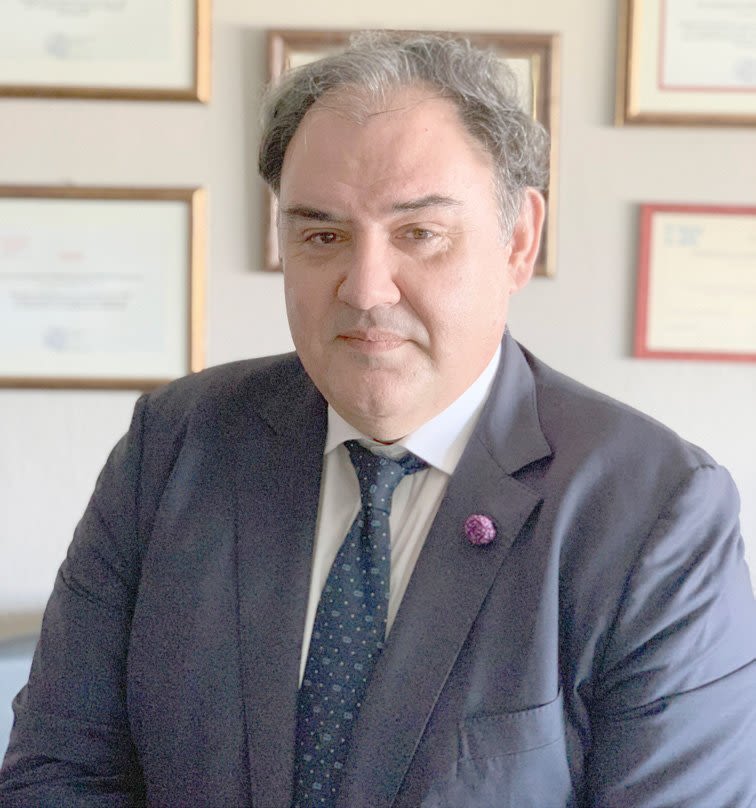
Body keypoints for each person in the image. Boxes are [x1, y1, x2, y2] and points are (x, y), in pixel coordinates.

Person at [1, 31, 755, 808]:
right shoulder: (175, 446)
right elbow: (59, 774)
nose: (366, 289)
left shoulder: (655, 511)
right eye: (323, 235)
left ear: (518, 241)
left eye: (419, 234)